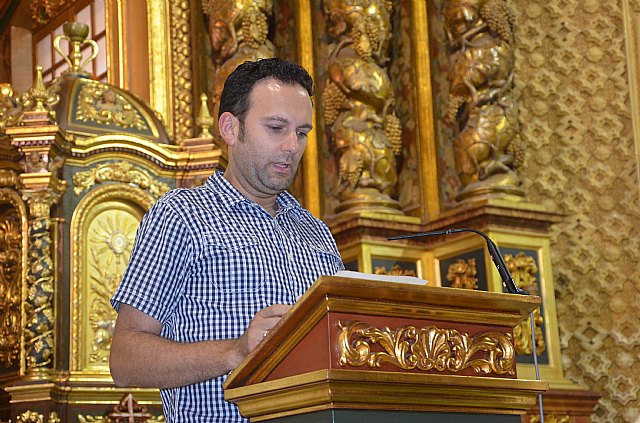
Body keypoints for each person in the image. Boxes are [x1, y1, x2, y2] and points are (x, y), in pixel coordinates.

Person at [109, 58, 344, 422]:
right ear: (231, 128)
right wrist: (236, 352)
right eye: (276, 128)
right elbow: (125, 360)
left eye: (301, 133)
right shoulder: (182, 216)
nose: (291, 146)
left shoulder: (317, 232)